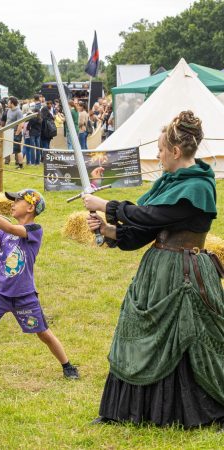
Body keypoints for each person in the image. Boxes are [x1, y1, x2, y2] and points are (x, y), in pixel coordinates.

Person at [82, 111, 224, 428]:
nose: (158, 155)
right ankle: (125, 411)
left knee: (187, 338)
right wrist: (107, 229)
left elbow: (150, 217)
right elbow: (141, 231)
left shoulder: (198, 187)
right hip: (156, 271)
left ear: (175, 151)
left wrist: (106, 205)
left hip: (185, 274)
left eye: (160, 149)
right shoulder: (167, 183)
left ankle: (188, 413)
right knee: (137, 333)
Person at [0, 189, 79, 381]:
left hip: (24, 296)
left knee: (43, 333)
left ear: (30, 207)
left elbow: (13, 229)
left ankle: (68, 367)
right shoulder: (4, 233)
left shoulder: (34, 230)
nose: (12, 204)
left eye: (17, 201)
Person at [4, 97, 24, 167]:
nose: (7, 104)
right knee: (6, 147)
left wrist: (17, 134)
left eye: (8, 102)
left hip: (15, 132)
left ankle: (19, 163)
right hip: (8, 131)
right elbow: (8, 121)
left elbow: (20, 124)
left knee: (17, 149)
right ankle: (6, 162)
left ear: (12, 103)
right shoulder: (9, 110)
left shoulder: (18, 111)